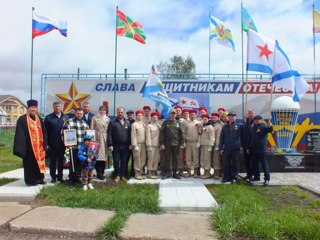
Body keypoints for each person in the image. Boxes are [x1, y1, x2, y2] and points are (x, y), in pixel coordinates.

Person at [13, 99, 48, 186]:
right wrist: (22, 148)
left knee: (39, 163)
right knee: (29, 164)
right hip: (29, 147)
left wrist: (45, 143)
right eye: (32, 107)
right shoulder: (22, 119)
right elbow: (19, 134)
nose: (33, 109)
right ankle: (30, 180)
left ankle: (40, 179)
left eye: (35, 107)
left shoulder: (39, 119)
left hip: (39, 147)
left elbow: (44, 132)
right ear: (28, 108)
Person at [62, 108, 89, 184]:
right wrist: (67, 144)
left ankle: (78, 177)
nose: (79, 115)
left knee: (80, 164)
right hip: (73, 147)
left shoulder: (85, 124)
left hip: (82, 148)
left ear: (82, 115)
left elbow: (88, 136)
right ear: (75, 113)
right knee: (73, 163)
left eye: (81, 114)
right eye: (78, 113)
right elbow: (63, 133)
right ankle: (72, 178)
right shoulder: (69, 122)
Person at [44, 101, 69, 183]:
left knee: (61, 161)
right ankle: (53, 177)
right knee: (53, 161)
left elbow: (69, 130)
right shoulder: (48, 118)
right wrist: (46, 143)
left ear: (61, 107)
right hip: (52, 144)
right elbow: (45, 132)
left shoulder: (66, 117)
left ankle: (60, 177)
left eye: (58, 106)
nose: (57, 108)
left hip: (63, 144)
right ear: (53, 107)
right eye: (55, 106)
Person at [247, 115, 273, 186]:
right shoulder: (252, 128)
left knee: (265, 165)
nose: (257, 120)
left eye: (258, 119)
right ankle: (256, 177)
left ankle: (267, 179)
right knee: (255, 164)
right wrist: (249, 148)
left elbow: (270, 130)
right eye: (255, 119)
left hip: (262, 149)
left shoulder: (264, 127)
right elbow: (251, 139)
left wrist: (270, 126)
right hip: (254, 149)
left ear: (261, 120)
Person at [107, 107, 131, 183]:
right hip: (116, 145)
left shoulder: (127, 122)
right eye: (119, 112)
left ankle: (122, 175)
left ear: (123, 113)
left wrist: (130, 144)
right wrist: (110, 144)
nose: (120, 114)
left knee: (124, 161)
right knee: (116, 161)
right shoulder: (112, 122)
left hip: (125, 146)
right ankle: (117, 175)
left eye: (121, 112)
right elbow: (109, 134)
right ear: (117, 113)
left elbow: (130, 134)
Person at [160, 108, 185, 179]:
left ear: (176, 114)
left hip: (176, 144)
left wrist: (182, 144)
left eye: (174, 114)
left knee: (175, 159)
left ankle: (174, 173)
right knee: (167, 158)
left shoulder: (179, 123)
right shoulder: (165, 122)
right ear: (169, 114)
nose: (172, 115)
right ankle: (168, 173)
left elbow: (182, 134)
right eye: (171, 113)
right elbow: (162, 133)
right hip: (167, 144)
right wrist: (162, 143)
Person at [219, 111, 242, 184]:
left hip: (235, 148)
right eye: (230, 116)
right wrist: (221, 148)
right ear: (227, 117)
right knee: (225, 163)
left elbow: (244, 135)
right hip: (226, 148)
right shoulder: (224, 126)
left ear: (235, 117)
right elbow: (221, 138)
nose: (231, 117)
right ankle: (226, 177)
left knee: (235, 164)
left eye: (233, 116)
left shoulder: (239, 125)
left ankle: (234, 178)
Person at [90, 105, 110, 180]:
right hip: (97, 138)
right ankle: (99, 173)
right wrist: (93, 140)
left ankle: (102, 172)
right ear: (99, 111)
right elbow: (91, 129)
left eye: (104, 110)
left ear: (106, 111)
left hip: (105, 138)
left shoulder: (108, 119)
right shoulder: (95, 118)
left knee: (104, 157)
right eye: (101, 110)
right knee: (97, 157)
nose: (102, 112)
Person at [131, 110, 147, 180]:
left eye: (141, 115)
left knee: (143, 159)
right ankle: (137, 174)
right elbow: (133, 135)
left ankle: (140, 172)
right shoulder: (134, 125)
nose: (140, 117)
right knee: (137, 159)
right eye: (138, 115)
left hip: (143, 144)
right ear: (136, 116)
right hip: (137, 145)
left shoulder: (143, 124)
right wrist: (134, 145)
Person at [184, 109, 200, 177]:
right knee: (188, 158)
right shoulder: (186, 123)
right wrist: (184, 142)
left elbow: (200, 133)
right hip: (188, 143)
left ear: (195, 115)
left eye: (194, 114)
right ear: (189, 115)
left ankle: (195, 172)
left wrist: (199, 142)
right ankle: (189, 172)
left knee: (195, 158)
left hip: (195, 142)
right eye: (191, 114)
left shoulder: (198, 123)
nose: (192, 116)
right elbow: (184, 133)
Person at [146, 112, 161, 179]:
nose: (155, 119)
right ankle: (149, 172)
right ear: (151, 118)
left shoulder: (158, 126)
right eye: (154, 117)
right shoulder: (149, 126)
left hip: (157, 145)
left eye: (156, 117)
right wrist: (149, 145)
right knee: (151, 159)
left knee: (156, 159)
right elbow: (148, 136)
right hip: (151, 145)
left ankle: (154, 171)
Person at [199, 114, 215, 179]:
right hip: (202, 145)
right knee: (203, 159)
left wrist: (210, 146)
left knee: (207, 159)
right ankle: (204, 173)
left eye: (205, 119)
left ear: (208, 119)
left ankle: (208, 173)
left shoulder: (210, 127)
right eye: (203, 119)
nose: (204, 120)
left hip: (207, 146)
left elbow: (212, 137)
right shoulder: (203, 127)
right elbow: (200, 135)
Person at [241, 109, 255, 180]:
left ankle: (252, 175)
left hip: (252, 146)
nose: (250, 114)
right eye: (249, 113)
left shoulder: (255, 122)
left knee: (252, 162)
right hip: (245, 146)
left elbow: (252, 136)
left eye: (251, 113)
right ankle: (248, 174)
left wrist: (249, 147)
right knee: (247, 161)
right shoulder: (247, 122)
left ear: (254, 114)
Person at [211, 112, 223, 179]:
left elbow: (218, 136)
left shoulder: (219, 126)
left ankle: (217, 173)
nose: (214, 119)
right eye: (213, 117)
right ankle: (213, 172)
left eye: (215, 117)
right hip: (210, 145)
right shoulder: (211, 125)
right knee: (211, 159)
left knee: (216, 159)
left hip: (216, 144)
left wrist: (218, 145)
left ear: (218, 118)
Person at [126, 109, 135, 177]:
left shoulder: (135, 122)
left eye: (131, 115)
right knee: (126, 159)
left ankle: (133, 173)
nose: (130, 116)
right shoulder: (125, 122)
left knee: (134, 159)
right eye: (129, 115)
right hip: (127, 144)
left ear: (133, 115)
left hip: (134, 144)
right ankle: (125, 172)